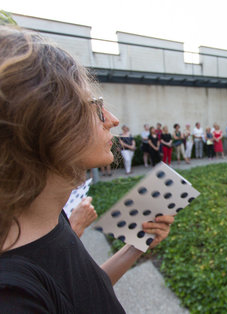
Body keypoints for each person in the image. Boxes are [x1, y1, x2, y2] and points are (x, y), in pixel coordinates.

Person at [0, 26, 174, 313]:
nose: (113, 120)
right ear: (46, 127)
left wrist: (136, 246)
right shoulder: (14, 297)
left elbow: (86, 295)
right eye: (94, 107)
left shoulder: (49, 216)